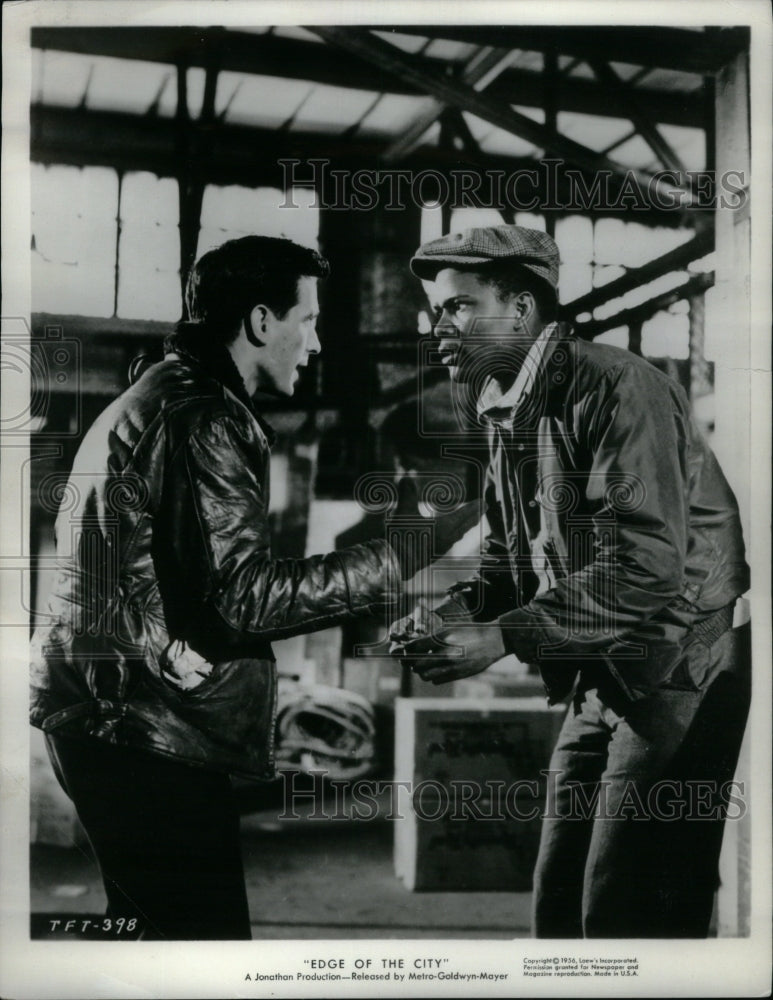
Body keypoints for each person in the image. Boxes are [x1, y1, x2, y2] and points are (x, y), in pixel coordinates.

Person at [29, 235, 478, 940]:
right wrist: (410, 550)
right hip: (143, 731)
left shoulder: (160, 398)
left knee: (156, 938)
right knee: (200, 949)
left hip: (114, 716)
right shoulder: (205, 415)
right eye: (308, 321)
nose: (315, 342)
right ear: (262, 321)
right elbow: (247, 600)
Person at [391, 224, 751, 938]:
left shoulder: (616, 385)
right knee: (558, 904)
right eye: (437, 309)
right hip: (604, 673)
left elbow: (648, 563)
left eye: (457, 306)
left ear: (520, 310)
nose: (437, 325)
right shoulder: (505, 409)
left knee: (627, 910)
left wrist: (503, 635)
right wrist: (454, 611)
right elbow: (506, 560)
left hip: (680, 668)